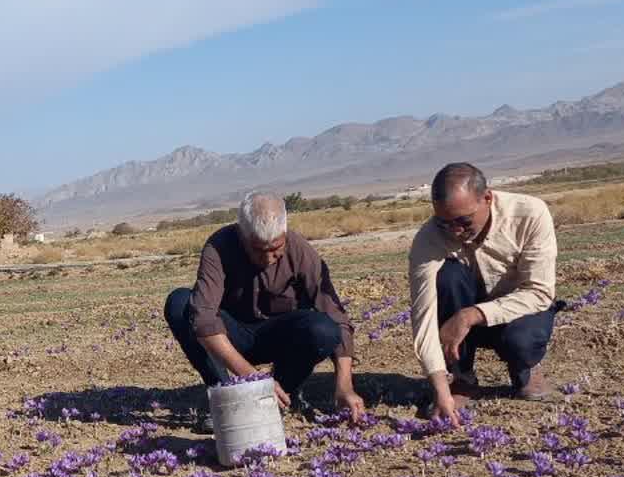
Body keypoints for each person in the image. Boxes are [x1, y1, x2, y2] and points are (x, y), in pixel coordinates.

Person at [164, 192, 364, 419]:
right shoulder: (219, 246)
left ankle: (284, 392)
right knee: (180, 303)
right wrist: (254, 379)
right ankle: (227, 396)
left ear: (284, 234)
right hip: (231, 335)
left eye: (276, 249)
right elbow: (204, 319)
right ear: (242, 236)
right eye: (258, 250)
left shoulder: (299, 250)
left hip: (278, 336)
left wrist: (345, 386)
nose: (268, 258)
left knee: (324, 330)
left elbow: (336, 316)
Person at [409, 162, 560, 425]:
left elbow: (539, 293)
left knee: (522, 342)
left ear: (487, 198)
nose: (455, 231)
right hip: (461, 318)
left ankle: (524, 369)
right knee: (448, 276)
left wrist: (471, 315)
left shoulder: (530, 214)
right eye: (444, 223)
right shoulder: (429, 237)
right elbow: (423, 319)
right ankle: (462, 377)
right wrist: (440, 388)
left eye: (463, 221)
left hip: (518, 313)